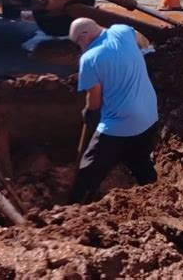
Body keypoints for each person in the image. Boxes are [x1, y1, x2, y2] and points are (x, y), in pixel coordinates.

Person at [68, 18, 159, 204]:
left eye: (78, 42)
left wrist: (90, 113)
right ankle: (155, 194)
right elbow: (142, 41)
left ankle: (75, 205)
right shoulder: (122, 31)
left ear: (84, 36)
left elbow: (95, 98)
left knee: (90, 168)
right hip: (149, 115)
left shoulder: (90, 58)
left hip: (120, 123)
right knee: (139, 159)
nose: (80, 47)